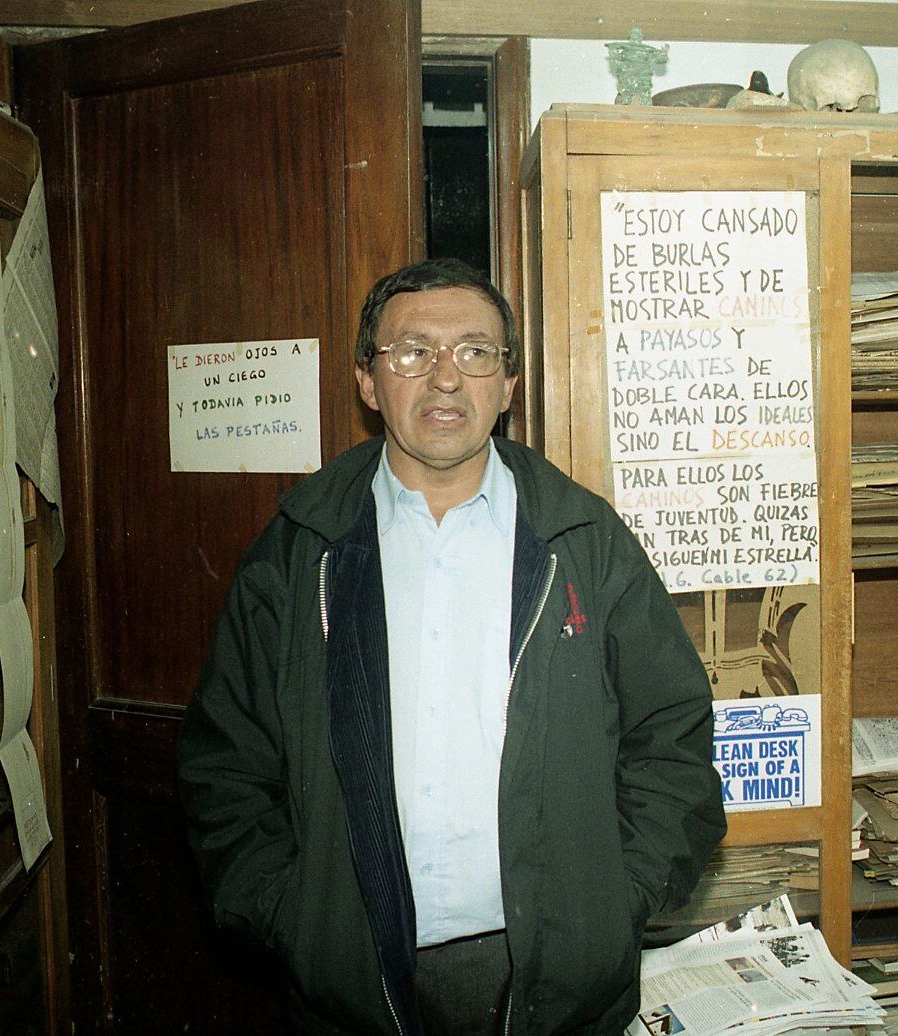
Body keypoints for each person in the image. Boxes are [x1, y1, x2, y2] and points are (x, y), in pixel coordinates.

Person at [178, 258, 725, 1035]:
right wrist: (295, 919)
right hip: (352, 977)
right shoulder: (300, 551)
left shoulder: (585, 542)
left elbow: (670, 738)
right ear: (369, 380)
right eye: (412, 351)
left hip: (556, 978)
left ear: (507, 384)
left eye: (475, 352)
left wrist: (613, 904)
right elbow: (225, 763)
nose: (444, 378)